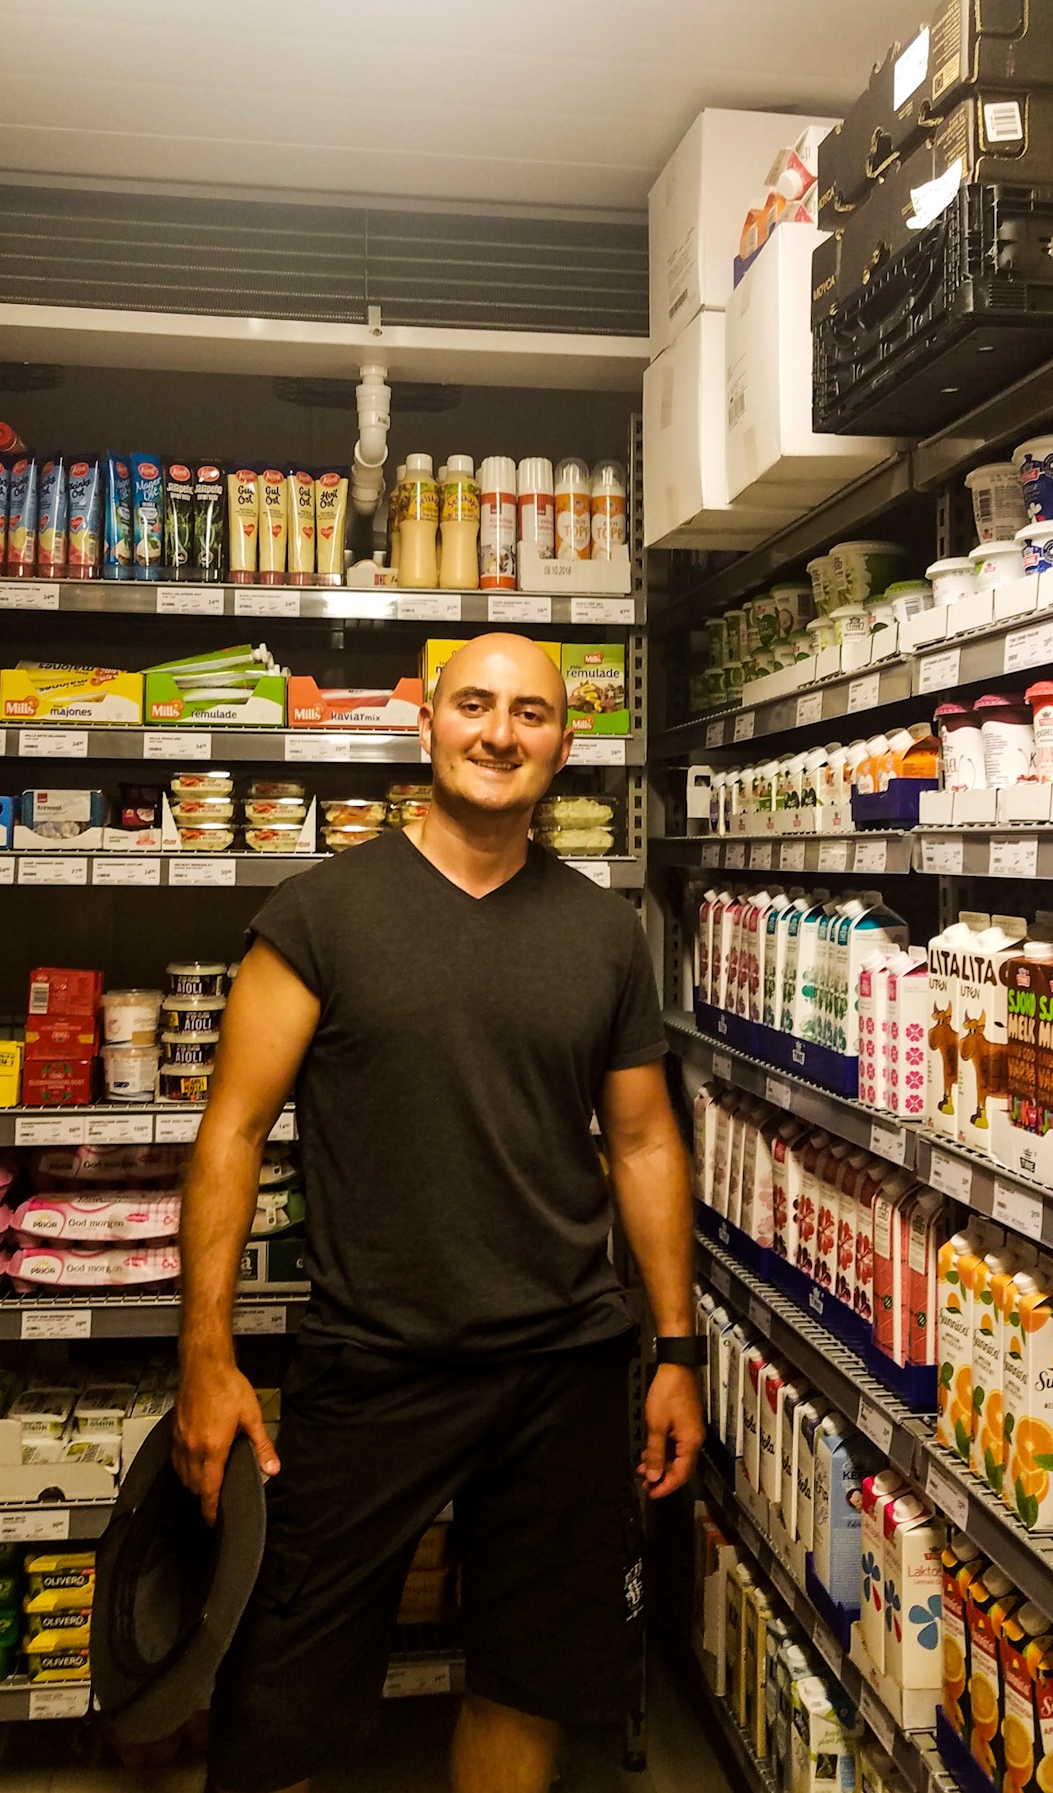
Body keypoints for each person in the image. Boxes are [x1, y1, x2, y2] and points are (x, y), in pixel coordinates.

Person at [174, 632, 703, 1793]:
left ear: (564, 745)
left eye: (530, 713)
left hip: (562, 1362)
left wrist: (674, 1346)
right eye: (474, 704)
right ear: (428, 726)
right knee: (284, 1688)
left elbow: (644, 1139)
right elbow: (231, 1130)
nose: (499, 732)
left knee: (527, 1673)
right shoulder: (320, 914)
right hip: (375, 1359)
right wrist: (205, 1353)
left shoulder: (603, 934)